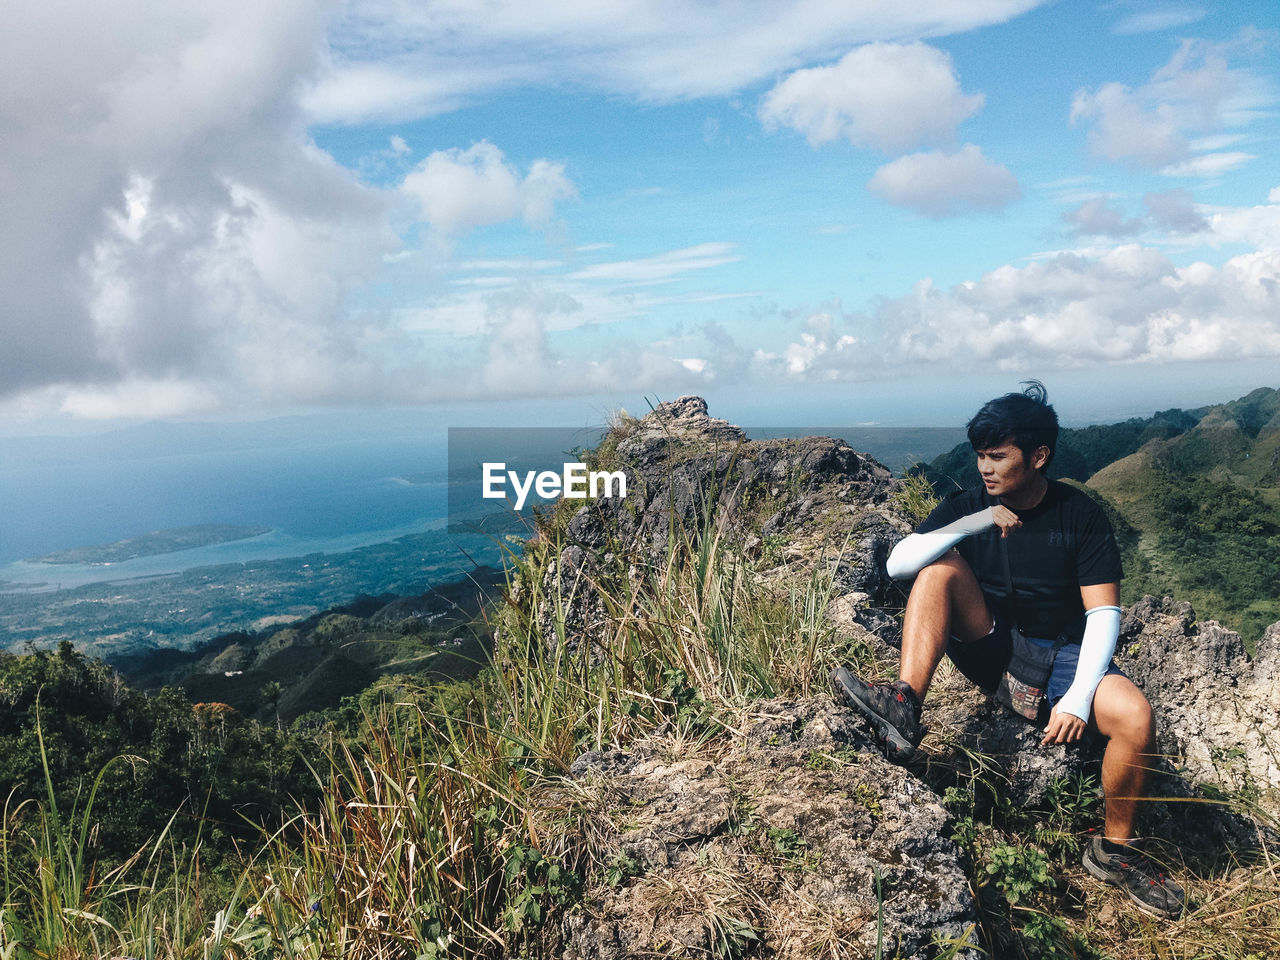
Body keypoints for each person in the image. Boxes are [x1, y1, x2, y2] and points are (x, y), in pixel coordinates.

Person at [831, 381, 1185, 919]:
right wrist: (975, 522)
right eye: (980, 455)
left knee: (1135, 716)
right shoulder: (971, 505)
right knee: (937, 570)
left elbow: (1104, 614)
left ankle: (1115, 850)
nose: (985, 468)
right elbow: (897, 565)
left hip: (1061, 658)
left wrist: (1078, 698)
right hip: (990, 647)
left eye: (999, 456)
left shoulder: (1079, 515)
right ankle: (903, 704)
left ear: (1038, 456)